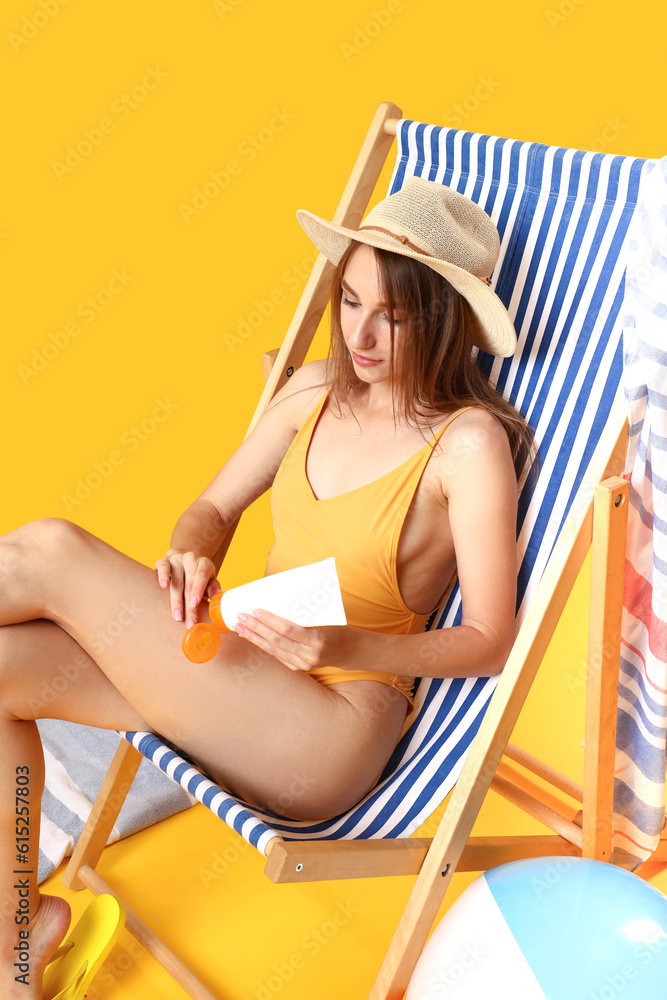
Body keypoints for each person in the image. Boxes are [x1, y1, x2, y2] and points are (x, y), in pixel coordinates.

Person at [0, 176, 534, 998]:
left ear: (440, 322)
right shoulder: (317, 388)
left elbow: (490, 641)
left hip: (326, 727)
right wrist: (190, 554)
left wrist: (345, 643)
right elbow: (212, 506)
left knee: (50, 550)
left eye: (389, 315)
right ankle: (17, 948)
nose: (360, 331)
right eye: (349, 299)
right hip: (240, 667)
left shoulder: (467, 447)